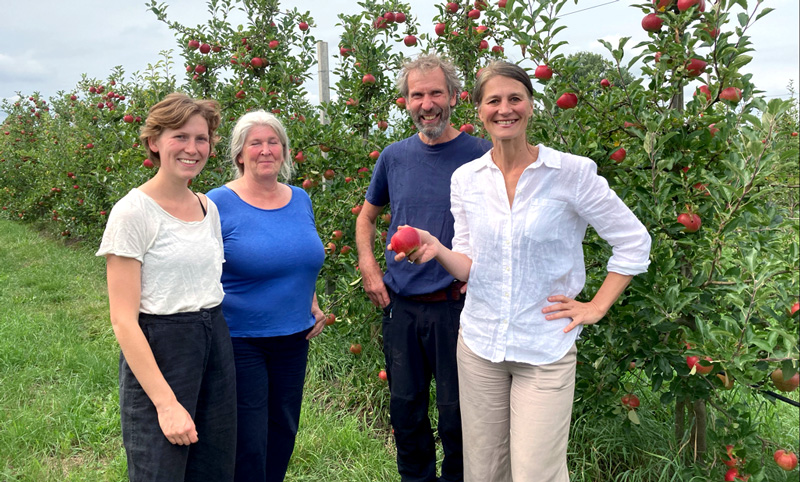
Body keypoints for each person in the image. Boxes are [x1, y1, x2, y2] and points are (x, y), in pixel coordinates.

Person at [394, 61, 652, 481]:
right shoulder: (467, 179)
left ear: (531, 105)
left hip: (544, 348)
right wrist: (438, 249)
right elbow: (469, 265)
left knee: (536, 472)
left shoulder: (571, 173)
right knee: (484, 471)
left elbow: (633, 241)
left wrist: (596, 306)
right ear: (478, 109)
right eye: (493, 100)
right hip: (479, 346)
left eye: (515, 98)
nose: (504, 109)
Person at [356, 54, 492, 482]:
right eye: (418, 94)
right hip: (402, 307)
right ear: (406, 101)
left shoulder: (482, 155)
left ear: (455, 96)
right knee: (407, 411)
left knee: (458, 417)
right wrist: (370, 267)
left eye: (436, 92)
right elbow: (366, 217)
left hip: (459, 307)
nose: (427, 103)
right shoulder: (394, 157)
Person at [97, 93, 236, 481]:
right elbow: (124, 320)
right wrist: (166, 403)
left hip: (214, 340)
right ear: (154, 141)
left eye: (202, 138)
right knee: (161, 469)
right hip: (162, 347)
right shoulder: (132, 212)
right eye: (180, 136)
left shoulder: (209, 208)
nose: (192, 148)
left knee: (214, 466)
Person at [206, 110, 326, 482]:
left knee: (283, 430)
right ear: (239, 153)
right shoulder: (216, 204)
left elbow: (298, 257)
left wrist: (312, 300)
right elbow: (201, 271)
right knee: (249, 438)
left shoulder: (300, 198)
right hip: (241, 339)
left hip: (294, 338)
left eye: (273, 142)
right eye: (255, 143)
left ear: (285, 151)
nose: (265, 150)